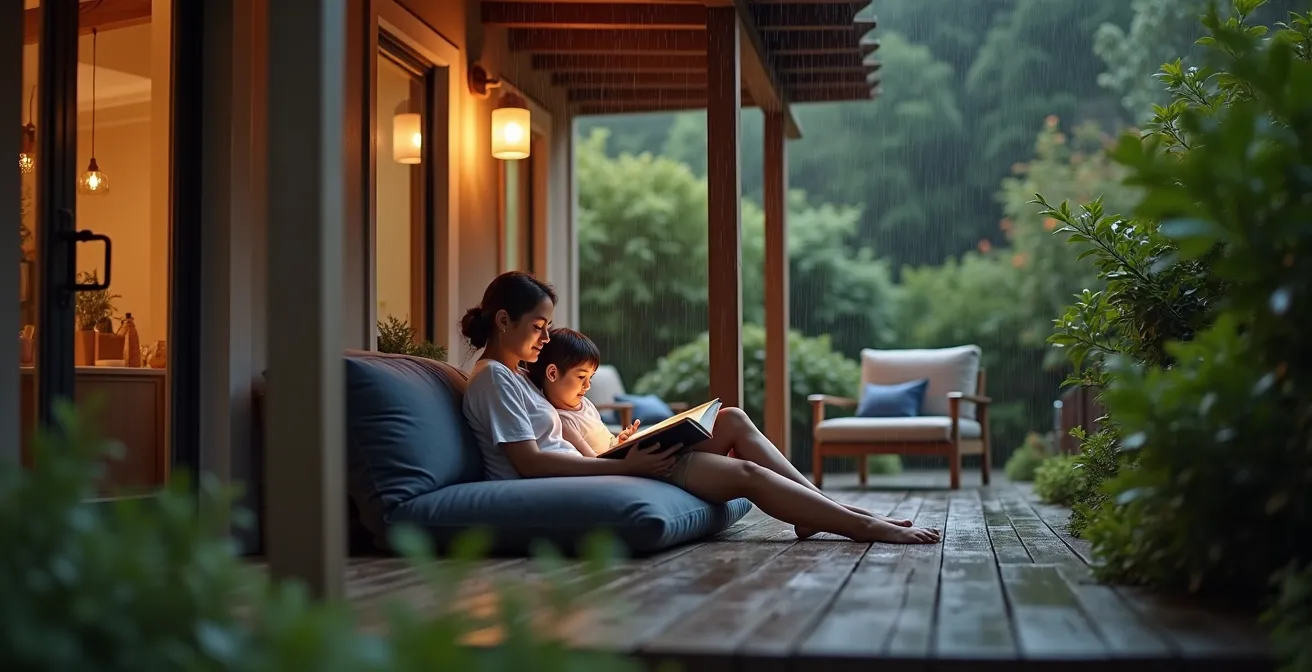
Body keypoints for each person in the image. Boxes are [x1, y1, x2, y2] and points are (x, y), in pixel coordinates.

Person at [460, 271, 941, 545]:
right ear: (504, 321)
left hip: (602, 465)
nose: (546, 339)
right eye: (539, 326)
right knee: (745, 476)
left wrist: (620, 445)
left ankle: (823, 509)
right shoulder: (494, 379)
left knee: (730, 417)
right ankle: (859, 525)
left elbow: (565, 431)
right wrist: (626, 467)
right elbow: (529, 462)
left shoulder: (518, 377)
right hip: (590, 477)